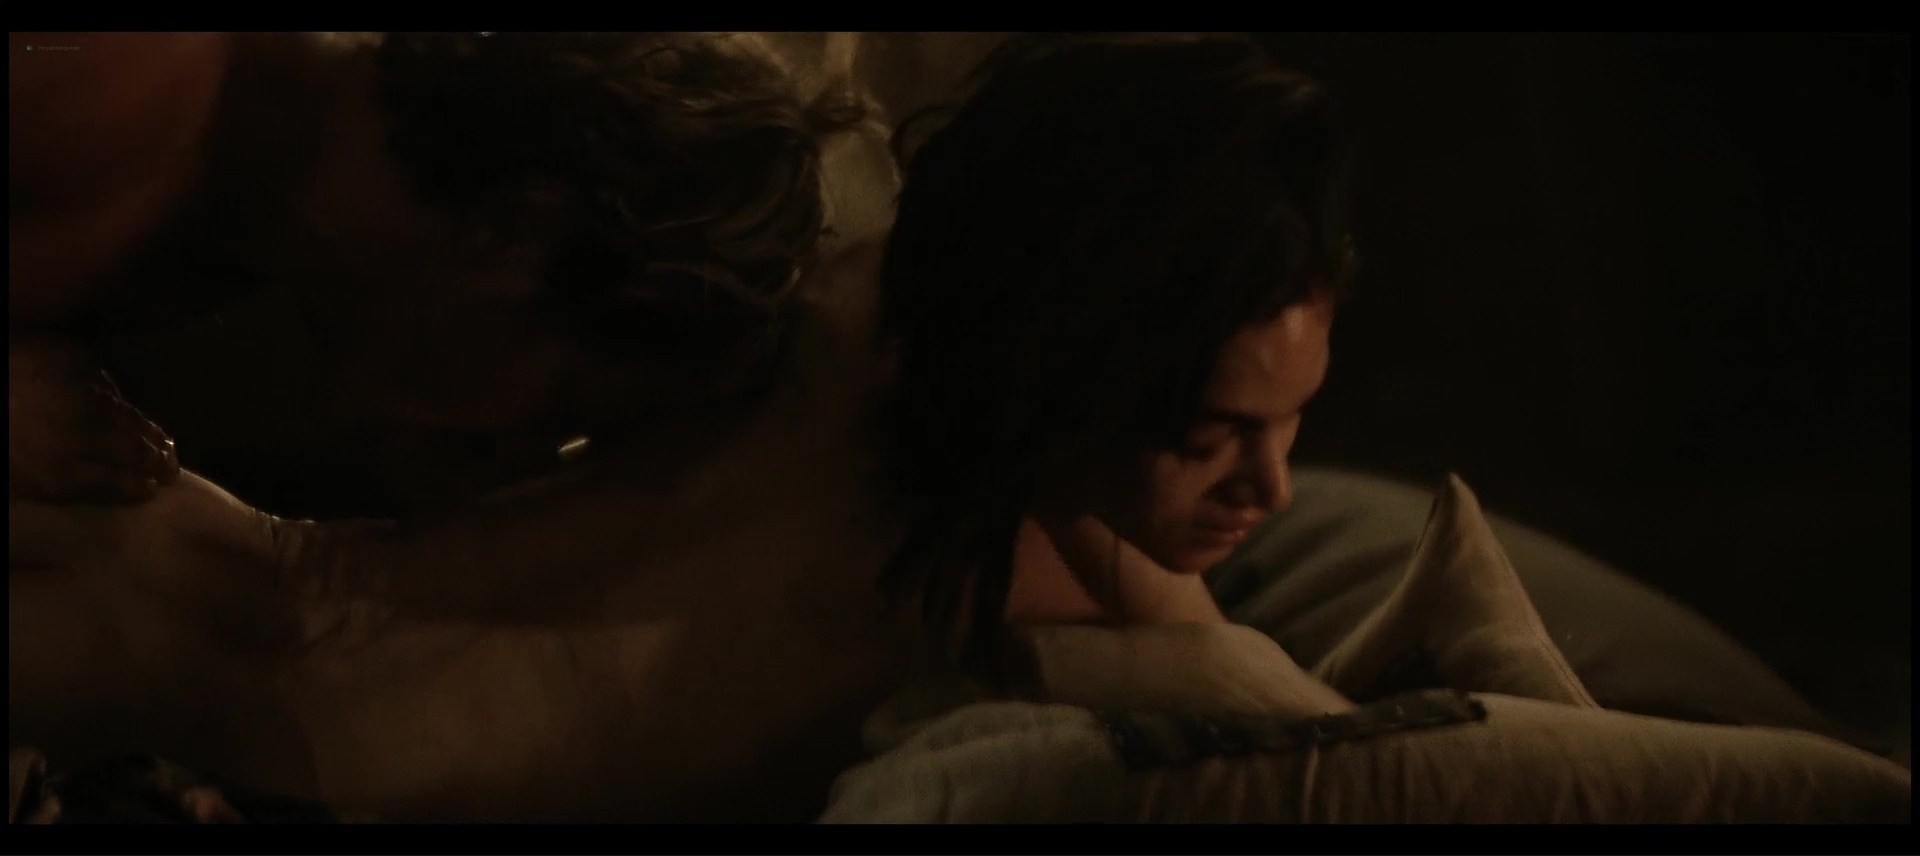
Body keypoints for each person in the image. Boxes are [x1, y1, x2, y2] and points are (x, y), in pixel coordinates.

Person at [819, 32, 1909, 823]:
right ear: (1055, 371)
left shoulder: (1090, 482)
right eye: (1211, 430)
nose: (1269, 482)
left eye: (1290, 417)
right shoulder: (847, 524)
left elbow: (1236, 668)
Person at [10, 31, 923, 822]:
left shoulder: (270, 247)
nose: (516, 446)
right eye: (561, 408)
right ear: (517, 234)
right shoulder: (111, 74)